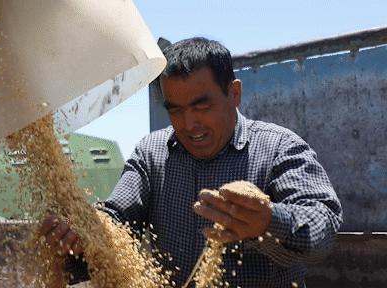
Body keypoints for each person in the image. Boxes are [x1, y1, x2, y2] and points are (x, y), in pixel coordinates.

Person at [42, 37, 343, 287]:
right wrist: (83, 232)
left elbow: (324, 225)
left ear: (234, 93)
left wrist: (269, 221)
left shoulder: (278, 147)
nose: (189, 124)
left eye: (202, 106)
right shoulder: (152, 154)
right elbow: (118, 218)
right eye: (176, 110)